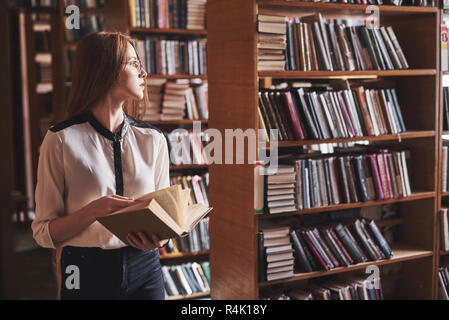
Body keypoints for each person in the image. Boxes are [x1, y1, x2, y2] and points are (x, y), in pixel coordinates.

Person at [31, 32, 170, 300]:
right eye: (134, 64)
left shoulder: (153, 139)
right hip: (84, 269)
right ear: (106, 69)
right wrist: (93, 211)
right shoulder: (60, 140)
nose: (144, 73)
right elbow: (43, 233)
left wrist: (160, 239)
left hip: (146, 266)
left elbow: (165, 217)